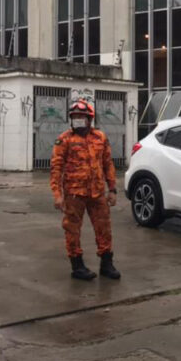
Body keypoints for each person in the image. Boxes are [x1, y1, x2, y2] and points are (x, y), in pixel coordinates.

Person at [50, 99, 122, 281]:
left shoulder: (100, 138)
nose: (78, 121)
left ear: (90, 119)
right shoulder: (64, 139)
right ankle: (77, 266)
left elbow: (108, 164)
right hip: (74, 194)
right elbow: (56, 168)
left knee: (104, 228)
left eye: (82, 117)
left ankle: (107, 263)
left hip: (97, 193)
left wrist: (112, 189)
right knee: (72, 230)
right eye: (75, 118)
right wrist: (57, 195)